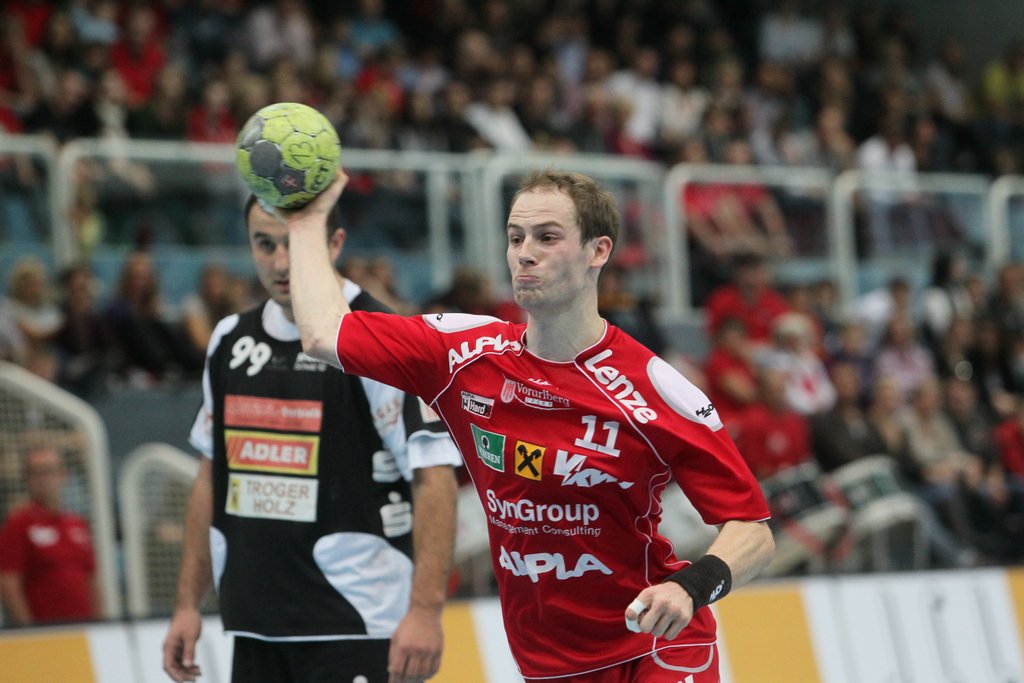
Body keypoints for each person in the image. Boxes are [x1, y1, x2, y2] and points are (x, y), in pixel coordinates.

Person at [285, 169, 774, 682]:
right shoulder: (462, 356)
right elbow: (322, 335)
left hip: (655, 648)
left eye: (547, 237)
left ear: (598, 251)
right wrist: (305, 221)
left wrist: (690, 588)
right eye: (515, 238)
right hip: (546, 661)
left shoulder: (653, 390)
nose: (525, 253)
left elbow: (753, 530)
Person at [161, 196, 461, 683]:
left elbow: (434, 478)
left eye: (294, 245)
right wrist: (187, 606)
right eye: (265, 244)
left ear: (334, 244)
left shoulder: (381, 338)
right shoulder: (230, 340)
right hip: (255, 628)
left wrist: (426, 611)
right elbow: (211, 476)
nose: (281, 263)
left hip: (357, 626)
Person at [0, 446, 101, 625]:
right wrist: (27, 627)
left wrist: (100, 622)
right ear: (27, 479)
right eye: (37, 473)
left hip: (83, 628)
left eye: (50, 471)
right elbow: (8, 581)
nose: (45, 478)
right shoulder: (18, 524)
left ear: (63, 475)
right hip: (45, 631)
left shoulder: (78, 524)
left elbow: (91, 578)